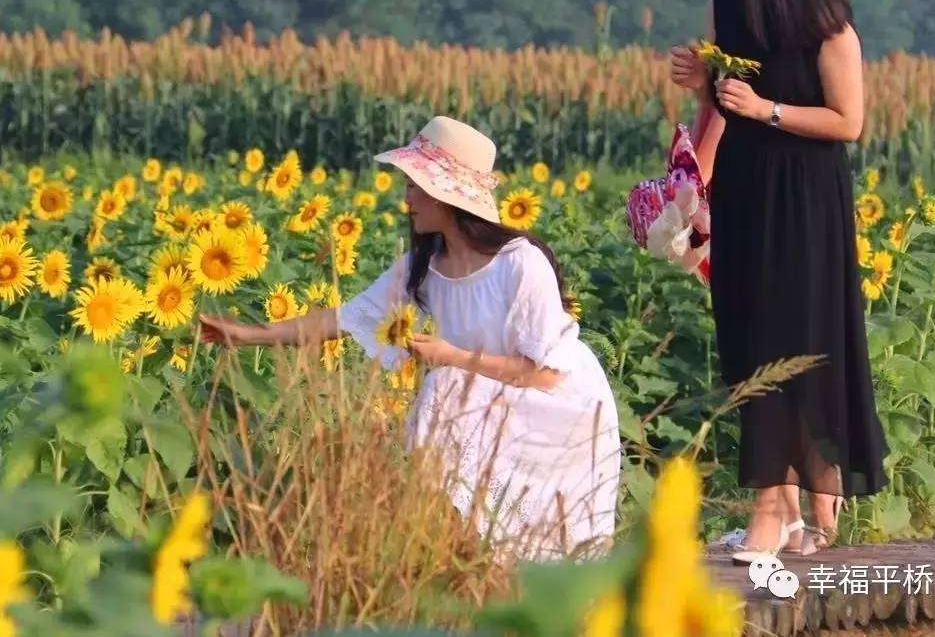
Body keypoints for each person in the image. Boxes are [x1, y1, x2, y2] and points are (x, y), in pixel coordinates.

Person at [199, 116, 622, 561]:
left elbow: (547, 375)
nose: (407, 198)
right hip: (491, 398)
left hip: (560, 410)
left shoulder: (520, 264)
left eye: (416, 186)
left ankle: (456, 553)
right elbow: (344, 319)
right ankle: (452, 553)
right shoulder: (426, 265)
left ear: (447, 194)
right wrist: (245, 335)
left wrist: (452, 357)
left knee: (444, 390)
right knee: (448, 401)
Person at [669, 0, 888, 563]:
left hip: (806, 201)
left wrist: (764, 109)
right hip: (742, 192)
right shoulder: (726, 4)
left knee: (792, 339)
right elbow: (714, 101)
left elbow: (847, 120)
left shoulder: (827, 19)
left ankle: (773, 508)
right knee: (749, 339)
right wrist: (690, 174)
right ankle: (788, 511)